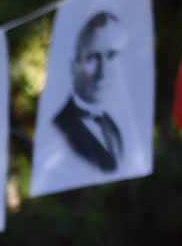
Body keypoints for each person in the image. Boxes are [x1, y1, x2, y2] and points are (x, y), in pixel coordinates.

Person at [53, 10, 128, 173]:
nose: (103, 72)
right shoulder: (58, 128)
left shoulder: (113, 126)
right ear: (74, 66)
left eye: (111, 56)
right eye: (93, 58)